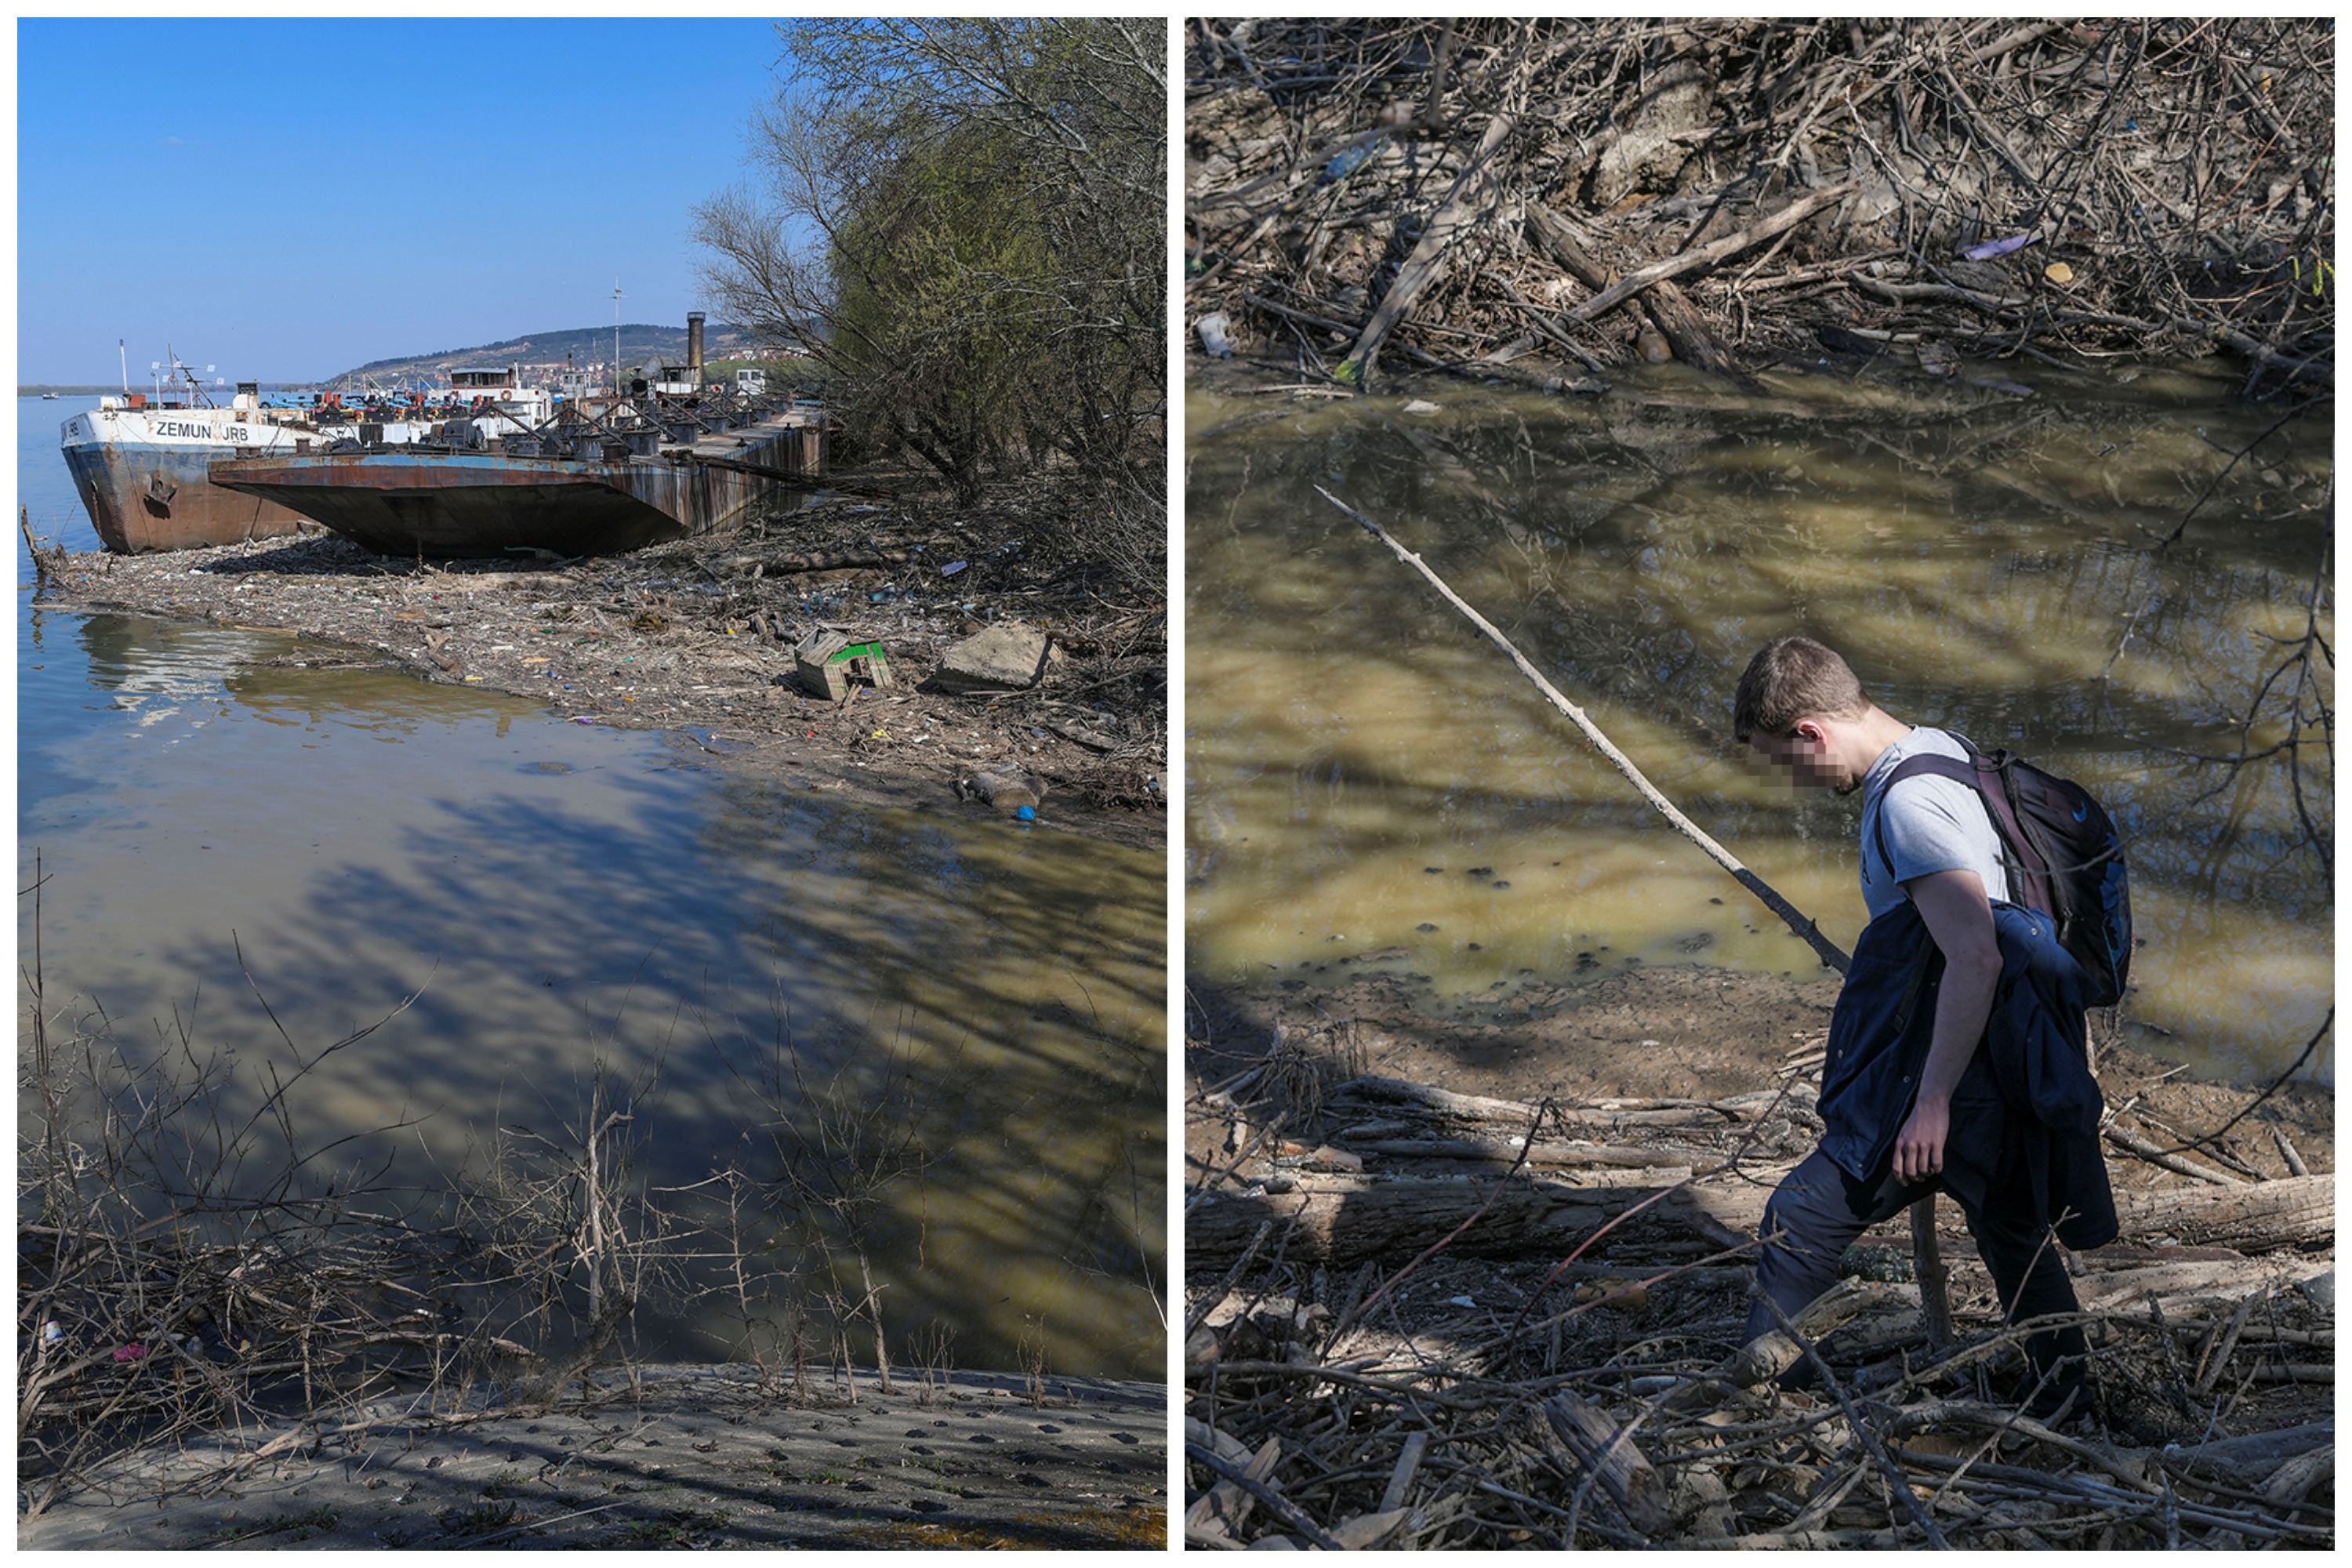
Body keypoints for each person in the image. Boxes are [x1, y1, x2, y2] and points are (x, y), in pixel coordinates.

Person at [1732, 635, 2115, 1420]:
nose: (1793, 779)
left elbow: (1974, 954)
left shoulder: (1906, 804)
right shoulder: (1942, 750)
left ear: (1811, 732)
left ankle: (1767, 1404)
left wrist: (1932, 1100)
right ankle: (2075, 1404)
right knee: (2012, 1228)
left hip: (1962, 1068)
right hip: (2014, 1054)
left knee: (1801, 1217)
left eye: (1785, 758)